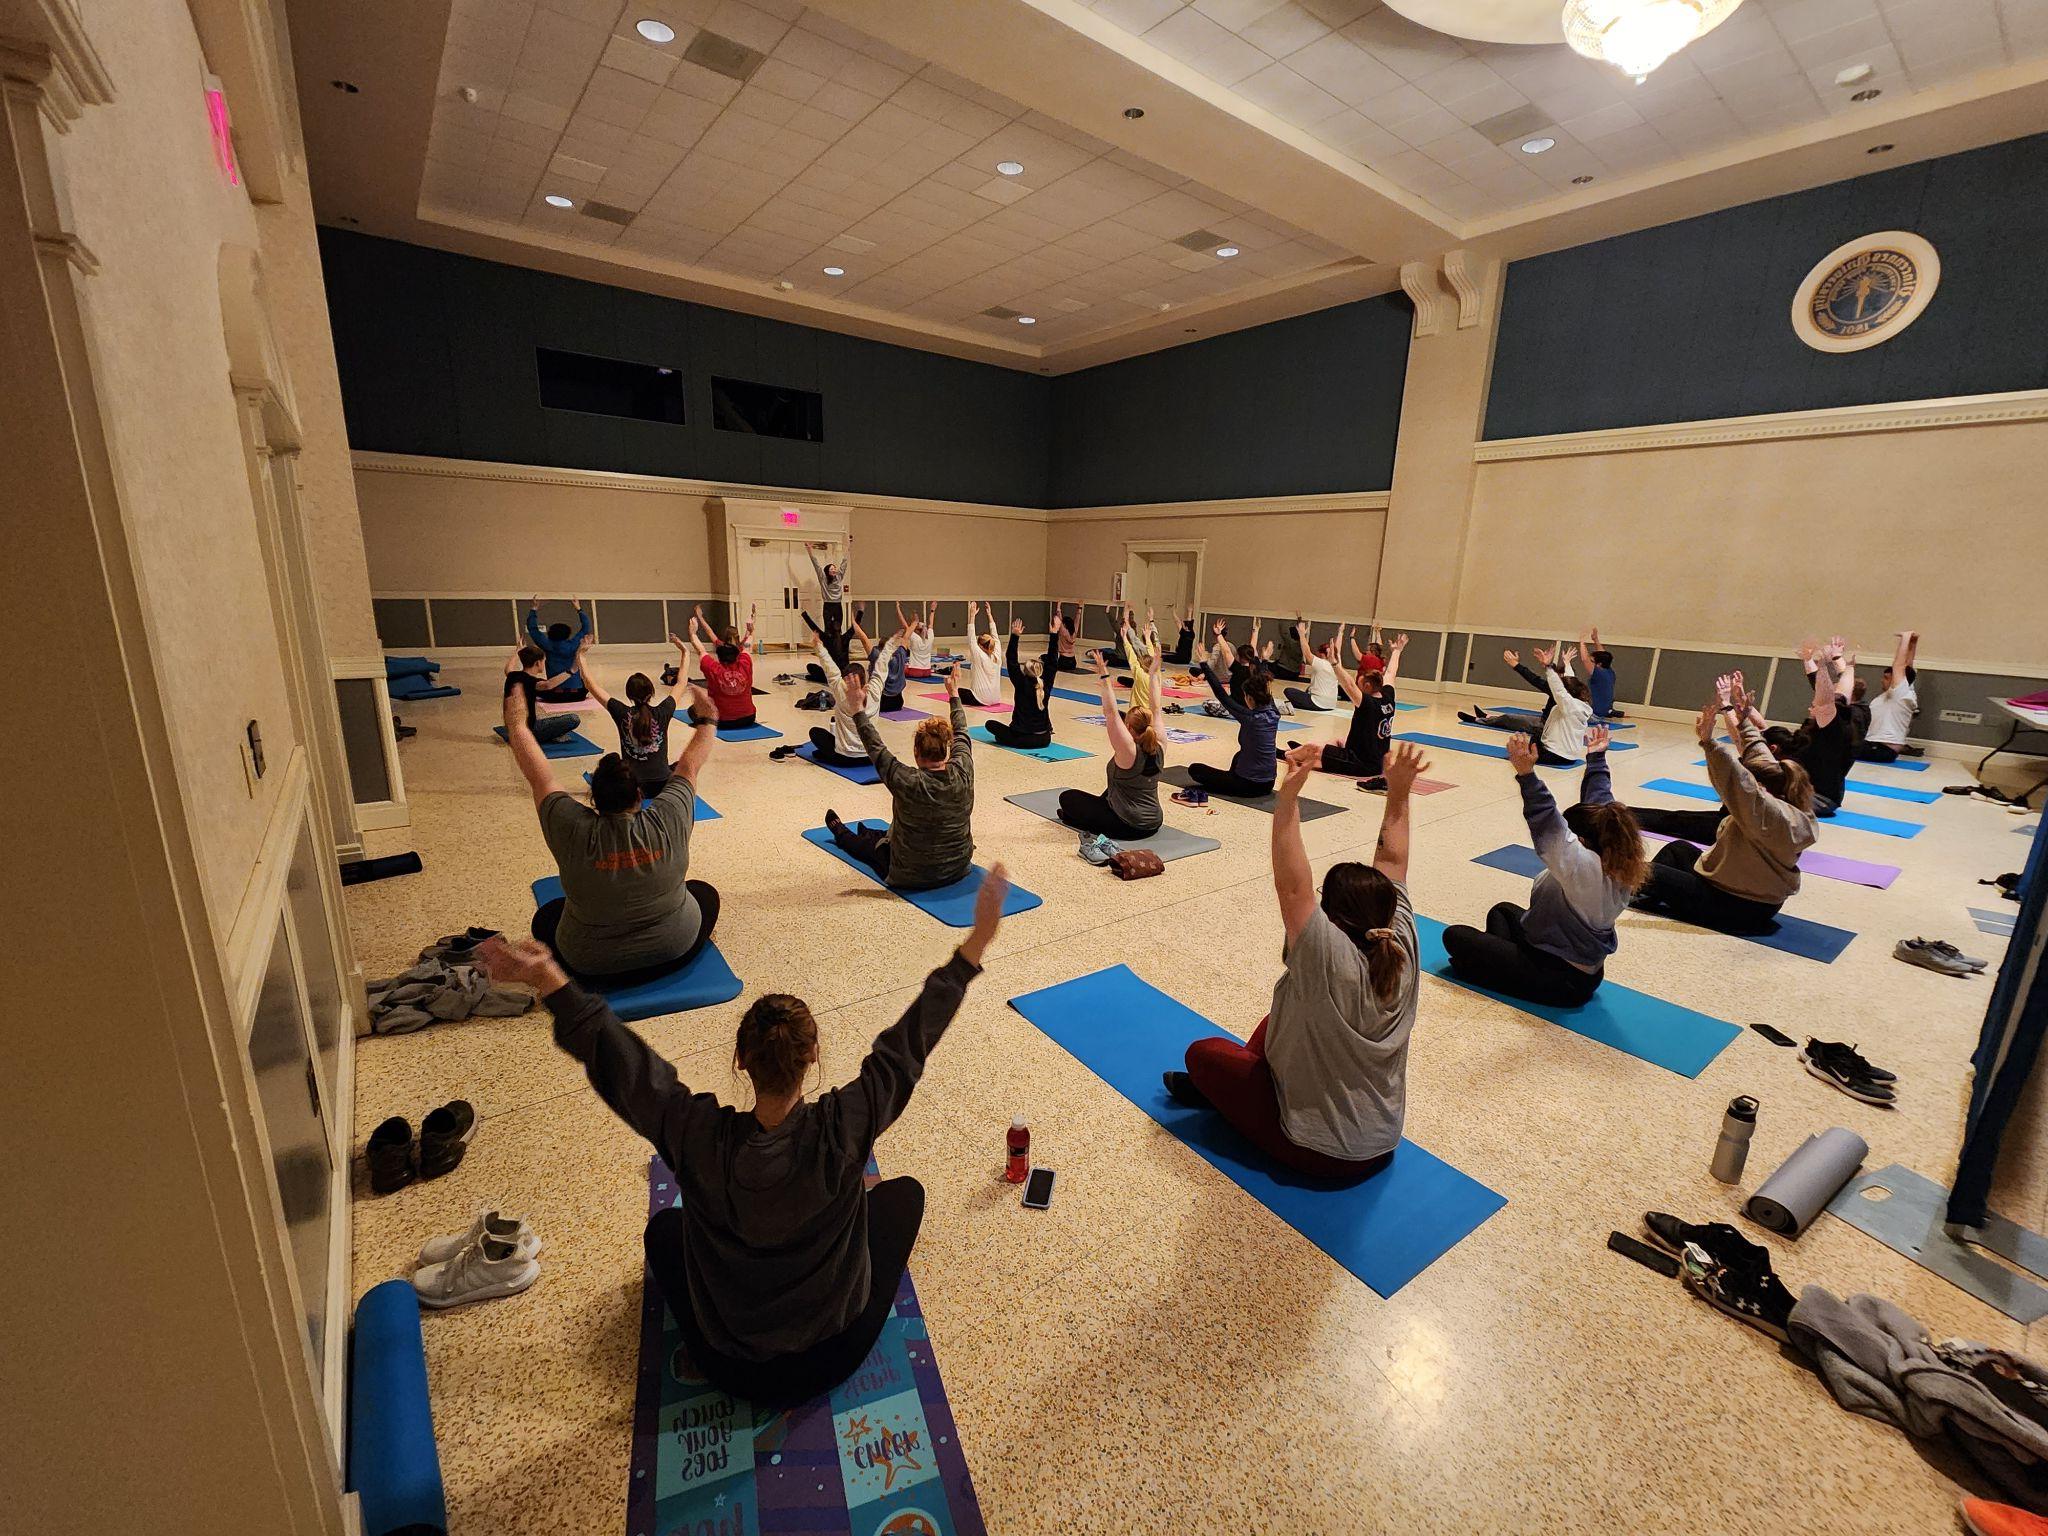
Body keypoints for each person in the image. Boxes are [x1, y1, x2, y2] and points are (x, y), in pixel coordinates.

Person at [478, 864, 1009, 1408]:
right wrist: (975, 945)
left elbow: (621, 1064)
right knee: (905, 1194)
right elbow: (906, 1048)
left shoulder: (694, 1135)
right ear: (813, 1057)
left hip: (726, 1362)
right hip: (835, 1350)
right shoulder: (847, 1126)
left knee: (664, 1230)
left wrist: (547, 978)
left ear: (740, 1060)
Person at [1161, 741, 1429, 1181]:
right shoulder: (1399, 940)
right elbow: (1393, 858)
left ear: (1333, 917)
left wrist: (1288, 797)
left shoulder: (1324, 953)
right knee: (1275, 1020)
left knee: (1204, 1057)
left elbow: (1292, 886)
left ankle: (1228, 1097)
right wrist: (1399, 792)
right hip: (1383, 1141)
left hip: (1320, 1153)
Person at [504, 670, 720, 984]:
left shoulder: (572, 826)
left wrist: (517, 724)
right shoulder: (668, 815)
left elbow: (541, 779)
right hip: (675, 948)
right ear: (639, 795)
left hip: (590, 964)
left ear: (593, 800)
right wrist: (708, 719)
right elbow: (688, 766)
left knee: (546, 918)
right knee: (704, 893)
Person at [1442, 728, 1646, 1006]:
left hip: (1562, 978)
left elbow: (1548, 822)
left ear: (1582, 841)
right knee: (1502, 911)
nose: (1570, 838)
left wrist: (1526, 775)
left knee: (1455, 937)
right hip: (1568, 960)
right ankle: (1504, 965)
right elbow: (1601, 807)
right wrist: (1597, 759)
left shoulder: (1586, 869)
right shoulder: (1613, 854)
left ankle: (1506, 972)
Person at [1632, 676, 1818, 936]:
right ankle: (1649, 897)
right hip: (1755, 899)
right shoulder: (1796, 808)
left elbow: (1736, 779)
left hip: (1736, 904)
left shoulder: (1768, 815)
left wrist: (1709, 743)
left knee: (1644, 870)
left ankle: (1627, 893)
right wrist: (1742, 721)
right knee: (1678, 850)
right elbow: (1759, 759)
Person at [823, 669, 976, 890]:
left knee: (865, 847)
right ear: (945, 749)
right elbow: (961, 731)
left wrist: (857, 708)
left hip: (910, 874)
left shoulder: (906, 780)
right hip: (959, 867)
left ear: (916, 752)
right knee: (889, 833)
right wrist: (953, 694)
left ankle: (840, 831)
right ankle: (875, 834)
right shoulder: (963, 769)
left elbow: (875, 746)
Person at [1059, 649, 1164, 840]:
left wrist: (1105, 675)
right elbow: (1156, 707)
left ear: (1129, 727)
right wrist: (1153, 672)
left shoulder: (1129, 750)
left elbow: (1111, 713)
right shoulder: (1160, 743)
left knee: (1067, 798)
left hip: (1129, 825)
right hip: (1154, 822)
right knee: (1106, 795)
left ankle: (1074, 819)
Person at [579, 632, 690, 799]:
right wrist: (685, 651)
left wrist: (580, 654)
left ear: (629, 695)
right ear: (651, 693)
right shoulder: (663, 711)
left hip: (633, 787)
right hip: (663, 785)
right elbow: (682, 682)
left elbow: (589, 683)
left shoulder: (621, 712)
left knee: (612, 763)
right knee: (679, 764)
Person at [1460, 645, 1592, 765]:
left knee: (1515, 722)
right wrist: (1567, 662)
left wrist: (1547, 666)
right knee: (1511, 719)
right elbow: (1568, 681)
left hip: (1554, 750)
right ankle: (1487, 716)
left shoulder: (1566, 701)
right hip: (1569, 753)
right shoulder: (1580, 703)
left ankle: (1480, 719)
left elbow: (1557, 688)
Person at [1776, 636, 1861, 816]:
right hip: (1814, 792)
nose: (1811, 705)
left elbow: (1827, 695)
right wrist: (1810, 660)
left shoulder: (1831, 727)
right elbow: (1838, 691)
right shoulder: (1832, 720)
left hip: (1820, 798)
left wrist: (1823, 664)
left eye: (1814, 704)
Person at [1314, 631, 1407, 791]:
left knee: (1312, 752)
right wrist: (1397, 651)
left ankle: (1283, 754)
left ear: (1368, 687)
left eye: (1361, 684)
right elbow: (1391, 673)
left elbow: (1348, 685)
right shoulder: (1388, 698)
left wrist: (1335, 665)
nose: (1358, 687)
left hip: (1361, 764)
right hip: (1378, 762)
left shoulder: (1368, 703)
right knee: (1336, 742)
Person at [794, 626, 897, 767]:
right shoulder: (874, 692)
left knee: (815, 733)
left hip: (845, 759)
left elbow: (830, 668)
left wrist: (819, 647)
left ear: (844, 681)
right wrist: (890, 646)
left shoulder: (840, 690)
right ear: (864, 681)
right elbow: (881, 667)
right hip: (870, 757)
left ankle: (829, 756)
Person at [1189, 652, 1279, 799]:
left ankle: (1234, 780)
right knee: (1239, 754)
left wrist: (1204, 665)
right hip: (1269, 782)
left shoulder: (1250, 717)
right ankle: (1233, 777)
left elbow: (1221, 694)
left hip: (1248, 785)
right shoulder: (1274, 713)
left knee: (1195, 769)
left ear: (1249, 698)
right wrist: (1264, 661)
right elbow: (1265, 686)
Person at [682, 603, 759, 731]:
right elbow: (749, 641)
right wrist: (752, 627)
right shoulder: (744, 660)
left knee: (692, 711)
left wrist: (693, 633)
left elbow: (701, 650)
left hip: (722, 722)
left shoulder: (714, 668)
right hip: (748, 718)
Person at [985, 616, 1055, 750]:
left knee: (990, 725)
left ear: (1025, 671)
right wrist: (1054, 635)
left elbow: (1011, 660)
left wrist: (1015, 635)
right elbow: (1052, 662)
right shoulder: (1045, 683)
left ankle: (1009, 739)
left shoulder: (1021, 682)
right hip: (1045, 738)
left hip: (1024, 738)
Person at [1858, 630, 1920, 762]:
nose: (1882, 680)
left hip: (1881, 750)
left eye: (1886, 678)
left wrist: (1905, 638)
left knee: (1833, 746)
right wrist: (1913, 643)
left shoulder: (1900, 694)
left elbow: (1900, 666)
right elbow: (1909, 667)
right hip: (1875, 746)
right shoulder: (1905, 693)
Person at [503, 646, 585, 746]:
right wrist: (571, 671)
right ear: (538, 663)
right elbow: (548, 685)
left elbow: (508, 668)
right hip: (528, 732)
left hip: (511, 730)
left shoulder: (512, 676)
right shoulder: (531, 681)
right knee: (573, 719)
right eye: (543, 661)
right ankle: (552, 735)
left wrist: (517, 651)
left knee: (544, 719)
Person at [525, 598, 592, 700]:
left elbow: (532, 628)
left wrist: (534, 608)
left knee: (535, 684)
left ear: (550, 633)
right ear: (567, 634)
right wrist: (578, 608)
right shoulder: (573, 644)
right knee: (583, 682)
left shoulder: (546, 644)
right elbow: (585, 627)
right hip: (577, 694)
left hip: (554, 695)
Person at [852, 611, 909, 714]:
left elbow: (864, 639)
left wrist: (853, 621)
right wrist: (915, 622)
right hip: (898, 703)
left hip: (881, 703)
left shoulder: (877, 657)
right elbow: (906, 637)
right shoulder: (900, 655)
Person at [1282, 619, 1342, 712]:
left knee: (1288, 691)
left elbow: (1307, 653)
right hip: (1331, 704)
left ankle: (1294, 705)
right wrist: (1340, 632)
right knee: (1307, 690)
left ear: (1322, 654)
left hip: (1318, 703)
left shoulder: (1322, 664)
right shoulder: (1337, 665)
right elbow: (1338, 649)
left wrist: (1302, 634)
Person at [1116, 603, 1163, 717]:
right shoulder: (1157, 674)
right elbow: (1153, 648)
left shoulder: (1139, 674)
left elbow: (1132, 657)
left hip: (1138, 715)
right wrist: (1151, 621)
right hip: (1152, 715)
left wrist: (1124, 639)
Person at [1575, 626, 1622, 720]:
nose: (1591, 662)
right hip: (1604, 711)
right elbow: (1603, 655)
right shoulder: (1609, 671)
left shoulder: (1599, 673)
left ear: (1599, 664)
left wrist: (1582, 642)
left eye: (1592, 661)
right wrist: (1595, 640)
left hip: (1595, 713)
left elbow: (1585, 660)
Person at [962, 601, 1003, 707]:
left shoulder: (978, 655)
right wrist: (989, 614)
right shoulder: (997, 654)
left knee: (958, 692)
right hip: (996, 698)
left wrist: (972, 616)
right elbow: (995, 634)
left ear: (980, 646)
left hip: (979, 699)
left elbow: (971, 636)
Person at [806, 540, 851, 632]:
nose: (834, 570)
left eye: (835, 568)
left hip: (838, 605)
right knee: (828, 627)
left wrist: (849, 546)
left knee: (838, 627)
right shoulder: (823, 578)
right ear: (827, 571)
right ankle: (828, 645)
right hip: (828, 605)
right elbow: (816, 564)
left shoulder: (839, 576)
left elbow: (845, 562)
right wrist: (809, 549)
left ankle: (839, 644)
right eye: (832, 569)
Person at [901, 600, 938, 679]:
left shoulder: (915, 638)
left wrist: (898, 608)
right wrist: (933, 610)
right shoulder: (930, 637)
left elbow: (904, 624)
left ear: (917, 630)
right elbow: (931, 623)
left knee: (901, 667)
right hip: (927, 671)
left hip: (915, 671)